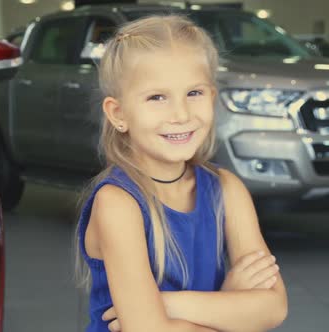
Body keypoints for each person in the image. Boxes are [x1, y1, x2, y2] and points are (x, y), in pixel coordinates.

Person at [75, 15, 287, 332]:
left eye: (194, 93)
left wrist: (168, 304)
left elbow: (273, 307)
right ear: (118, 114)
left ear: (212, 99)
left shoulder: (227, 189)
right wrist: (231, 307)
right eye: (157, 97)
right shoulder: (117, 203)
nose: (180, 114)